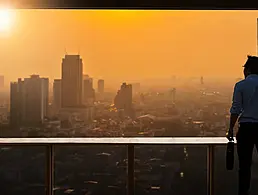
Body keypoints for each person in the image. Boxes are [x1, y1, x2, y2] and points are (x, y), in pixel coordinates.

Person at [227, 55, 258, 195]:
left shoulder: (241, 85)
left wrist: (230, 129)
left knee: (244, 166)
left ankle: (243, 192)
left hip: (246, 129)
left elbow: (236, 109)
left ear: (248, 70)